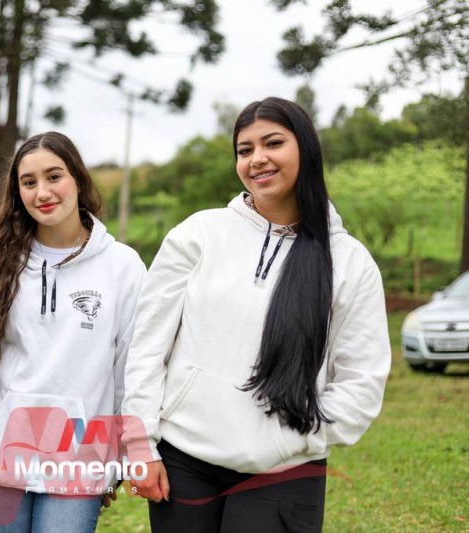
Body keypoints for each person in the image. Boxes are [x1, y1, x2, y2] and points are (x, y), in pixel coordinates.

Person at [122, 97, 391, 532]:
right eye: (244, 150)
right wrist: (140, 444)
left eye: (273, 143)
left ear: (306, 150)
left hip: (285, 471)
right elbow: (147, 346)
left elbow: (362, 380)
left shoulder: (349, 262)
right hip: (184, 460)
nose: (257, 158)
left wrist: (292, 439)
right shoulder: (198, 234)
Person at [0, 131, 146, 532]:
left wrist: (124, 456)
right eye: (29, 182)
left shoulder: (122, 267)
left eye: (54, 176)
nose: (42, 192)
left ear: (78, 179)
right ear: (17, 192)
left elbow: (130, 371)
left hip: (78, 462)